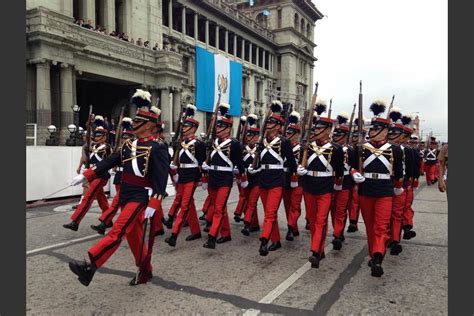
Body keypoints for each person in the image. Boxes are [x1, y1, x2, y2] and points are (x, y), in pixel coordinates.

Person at [68, 89, 170, 286]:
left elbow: (161, 177)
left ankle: (90, 266)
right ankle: (146, 271)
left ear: (148, 125)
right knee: (134, 237)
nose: (133, 123)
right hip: (126, 193)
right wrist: (85, 175)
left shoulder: (158, 148)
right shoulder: (128, 145)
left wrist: (154, 202)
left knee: (117, 231)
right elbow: (108, 162)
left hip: (141, 197)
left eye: (138, 121)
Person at [351, 100, 404, 277]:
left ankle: (378, 257)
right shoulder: (360, 148)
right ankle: (374, 253)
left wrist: (397, 187)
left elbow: (398, 173)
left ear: (385, 131)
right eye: (371, 129)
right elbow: (351, 166)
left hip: (385, 191)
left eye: (375, 129)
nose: (372, 132)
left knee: (381, 226)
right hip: (366, 190)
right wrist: (354, 173)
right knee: (370, 226)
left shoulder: (395, 150)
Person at [297, 101, 344, 267]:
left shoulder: (336, 149)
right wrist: (300, 173)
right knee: (312, 218)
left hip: (325, 187)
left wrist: (337, 184)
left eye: (319, 129)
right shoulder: (306, 146)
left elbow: (339, 170)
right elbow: (300, 165)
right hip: (310, 186)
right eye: (315, 128)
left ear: (328, 130)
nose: (315, 131)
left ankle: (315, 251)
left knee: (321, 220)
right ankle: (319, 249)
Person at [248, 100, 297, 256]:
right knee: (270, 212)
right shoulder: (261, 143)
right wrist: (253, 168)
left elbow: (291, 163)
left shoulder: (284, 142)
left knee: (270, 212)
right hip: (263, 179)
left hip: (277, 180)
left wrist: (296, 174)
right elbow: (259, 161)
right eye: (268, 122)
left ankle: (264, 240)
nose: (268, 125)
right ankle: (275, 240)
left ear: (278, 126)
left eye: (272, 123)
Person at [201, 104, 246, 249]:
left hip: (225, 178)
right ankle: (226, 233)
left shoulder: (234, 144)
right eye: (216, 127)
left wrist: (242, 177)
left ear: (227, 129)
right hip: (213, 177)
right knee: (219, 208)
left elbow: (239, 163)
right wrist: (205, 168)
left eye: (220, 127)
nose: (217, 130)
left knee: (218, 208)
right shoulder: (212, 143)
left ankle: (212, 237)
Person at [164, 104, 205, 247]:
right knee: (188, 204)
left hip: (192, 176)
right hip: (182, 175)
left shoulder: (198, 144)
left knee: (185, 204)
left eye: (186, 126)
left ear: (193, 128)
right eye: (183, 126)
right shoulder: (181, 143)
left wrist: (203, 179)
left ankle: (174, 234)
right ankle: (196, 231)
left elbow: (202, 163)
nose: (183, 128)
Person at [63, 116, 112, 231]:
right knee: (102, 200)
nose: (97, 137)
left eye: (99, 136)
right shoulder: (93, 146)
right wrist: (89, 126)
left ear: (105, 137)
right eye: (96, 135)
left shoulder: (107, 148)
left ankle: (75, 221)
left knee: (88, 197)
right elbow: (86, 155)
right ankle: (108, 221)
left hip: (101, 176)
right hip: (93, 175)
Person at [90, 117, 135, 235]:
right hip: (119, 177)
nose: (123, 140)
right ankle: (123, 223)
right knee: (121, 204)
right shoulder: (119, 149)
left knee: (115, 203)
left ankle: (104, 223)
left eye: (126, 138)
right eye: (123, 137)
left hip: (128, 178)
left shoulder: (133, 150)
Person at [386, 109, 415, 255]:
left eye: (395, 133)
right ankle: (387, 237)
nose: (392, 136)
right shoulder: (382, 148)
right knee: (385, 214)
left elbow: (410, 169)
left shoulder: (407, 150)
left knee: (396, 214)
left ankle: (395, 240)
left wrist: (407, 184)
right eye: (390, 133)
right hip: (384, 184)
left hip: (400, 184)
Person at [330, 111, 357, 249]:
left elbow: (355, 167)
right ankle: (338, 231)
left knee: (341, 209)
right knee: (333, 209)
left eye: (338, 135)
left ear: (345, 136)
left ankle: (336, 234)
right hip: (330, 181)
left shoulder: (351, 150)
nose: (335, 137)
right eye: (334, 134)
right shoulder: (330, 149)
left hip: (345, 182)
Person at [282, 111, 304, 241]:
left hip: (298, 178)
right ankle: (294, 228)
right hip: (284, 177)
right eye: (287, 133)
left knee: (295, 205)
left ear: (297, 135)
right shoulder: (282, 147)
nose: (287, 135)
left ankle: (290, 228)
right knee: (287, 205)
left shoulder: (302, 148)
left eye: (290, 133)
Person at [239, 114, 262, 236]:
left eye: (252, 136)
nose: (249, 138)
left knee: (252, 202)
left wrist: (257, 169)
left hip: (258, 179)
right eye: (248, 135)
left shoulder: (261, 149)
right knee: (248, 202)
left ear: (257, 137)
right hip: (246, 179)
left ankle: (247, 224)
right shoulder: (243, 148)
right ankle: (254, 224)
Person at [347, 117, 366, 233]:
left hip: (362, 177)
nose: (354, 139)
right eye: (353, 137)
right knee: (350, 201)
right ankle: (352, 221)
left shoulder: (365, 148)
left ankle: (353, 222)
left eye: (357, 137)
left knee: (355, 200)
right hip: (349, 176)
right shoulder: (349, 149)